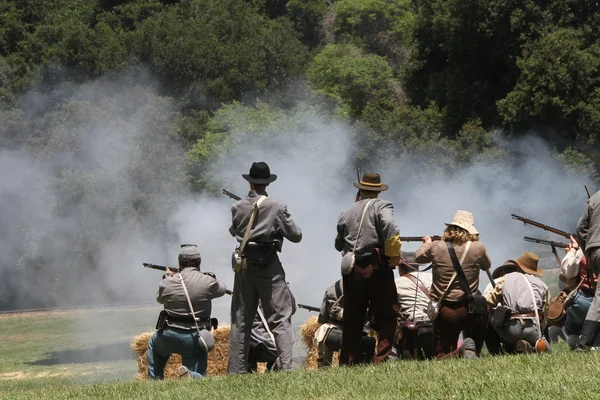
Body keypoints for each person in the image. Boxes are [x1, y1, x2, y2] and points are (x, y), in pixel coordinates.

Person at [227, 161, 302, 374]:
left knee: (241, 320)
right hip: (269, 266)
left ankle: (236, 372)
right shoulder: (277, 207)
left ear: (250, 182)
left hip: (245, 265)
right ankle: (287, 368)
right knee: (280, 319)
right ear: (267, 183)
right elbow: (296, 235)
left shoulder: (237, 206)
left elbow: (234, 231)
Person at [335, 172, 401, 365]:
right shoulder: (383, 206)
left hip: (353, 269)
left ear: (361, 190)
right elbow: (389, 225)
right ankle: (380, 359)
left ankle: (348, 360)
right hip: (377, 267)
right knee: (389, 314)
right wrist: (394, 255)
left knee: (353, 316)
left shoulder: (346, 211)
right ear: (378, 190)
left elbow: (339, 244)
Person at [415, 210, 491, 358]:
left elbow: (418, 258)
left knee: (442, 355)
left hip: (444, 311)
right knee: (484, 309)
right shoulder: (479, 247)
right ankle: (474, 350)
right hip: (470, 310)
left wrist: (427, 244)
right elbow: (486, 265)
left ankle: (461, 351)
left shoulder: (436, 246)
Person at [147, 245, 227, 379]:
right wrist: (211, 276)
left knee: (153, 345)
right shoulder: (208, 282)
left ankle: (155, 380)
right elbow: (222, 289)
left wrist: (168, 277)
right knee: (199, 377)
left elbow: (159, 299)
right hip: (193, 337)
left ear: (179, 261)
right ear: (199, 261)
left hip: (168, 334)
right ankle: (192, 376)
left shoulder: (167, 282)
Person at [485, 252, 550, 353]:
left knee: (489, 313)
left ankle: (497, 350)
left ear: (518, 267)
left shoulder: (504, 280)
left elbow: (489, 300)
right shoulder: (542, 285)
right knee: (546, 348)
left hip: (511, 330)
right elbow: (545, 315)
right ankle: (532, 346)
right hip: (534, 330)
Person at [314, 279, 376, 367]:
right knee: (367, 345)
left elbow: (322, 318)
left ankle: (324, 367)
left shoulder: (331, 288)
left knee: (324, 331)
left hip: (331, 335)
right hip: (356, 338)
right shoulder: (367, 289)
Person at [559, 236, 600, 348]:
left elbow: (568, 271)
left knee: (574, 312)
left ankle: (576, 341)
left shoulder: (584, 250)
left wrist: (573, 249)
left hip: (585, 299)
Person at [247, 295, 297, 373]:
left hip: (260, 343)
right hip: (281, 344)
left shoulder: (248, 290)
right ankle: (280, 366)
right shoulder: (283, 288)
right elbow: (292, 309)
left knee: (260, 370)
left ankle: (262, 372)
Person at [576, 190, 600, 350]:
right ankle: (584, 344)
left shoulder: (595, 197)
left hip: (595, 250)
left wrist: (589, 249)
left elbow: (580, 228)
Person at [394, 264, 434, 359]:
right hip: (432, 323)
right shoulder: (431, 277)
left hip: (411, 327)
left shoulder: (396, 282)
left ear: (401, 268)